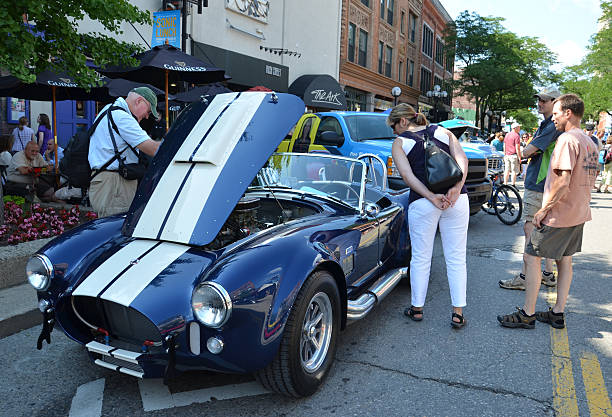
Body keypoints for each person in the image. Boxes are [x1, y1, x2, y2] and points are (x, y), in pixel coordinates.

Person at [498, 94, 598, 329]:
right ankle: (557, 312)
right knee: (565, 261)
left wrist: (544, 210)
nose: (553, 118)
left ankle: (527, 314)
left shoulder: (566, 140)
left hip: (559, 213)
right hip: (579, 210)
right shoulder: (590, 142)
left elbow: (562, 181)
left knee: (532, 257)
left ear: (568, 114)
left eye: (556, 114)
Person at [389, 103, 470, 328]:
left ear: (403, 121)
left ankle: (417, 308)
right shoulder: (443, 131)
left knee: (421, 257)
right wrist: (456, 187)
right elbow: (462, 159)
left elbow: (407, 177)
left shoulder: (399, 143)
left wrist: (430, 196)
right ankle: (458, 313)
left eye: (394, 126)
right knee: (456, 256)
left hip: (424, 203)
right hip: (457, 199)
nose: (394, 131)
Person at [499, 87, 561, 291]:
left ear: (555, 101)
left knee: (530, 229)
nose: (540, 103)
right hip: (546, 183)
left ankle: (526, 277)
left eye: (544, 100)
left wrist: (527, 151)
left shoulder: (551, 125)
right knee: (544, 230)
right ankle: (548, 274)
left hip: (539, 184)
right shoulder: (550, 124)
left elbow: (527, 152)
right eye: (539, 99)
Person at [88, 87, 161, 217]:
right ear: (139, 101)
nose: (147, 116)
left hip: (107, 181)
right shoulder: (122, 117)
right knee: (115, 230)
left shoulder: (107, 110)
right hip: (115, 184)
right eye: (149, 111)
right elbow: (153, 149)